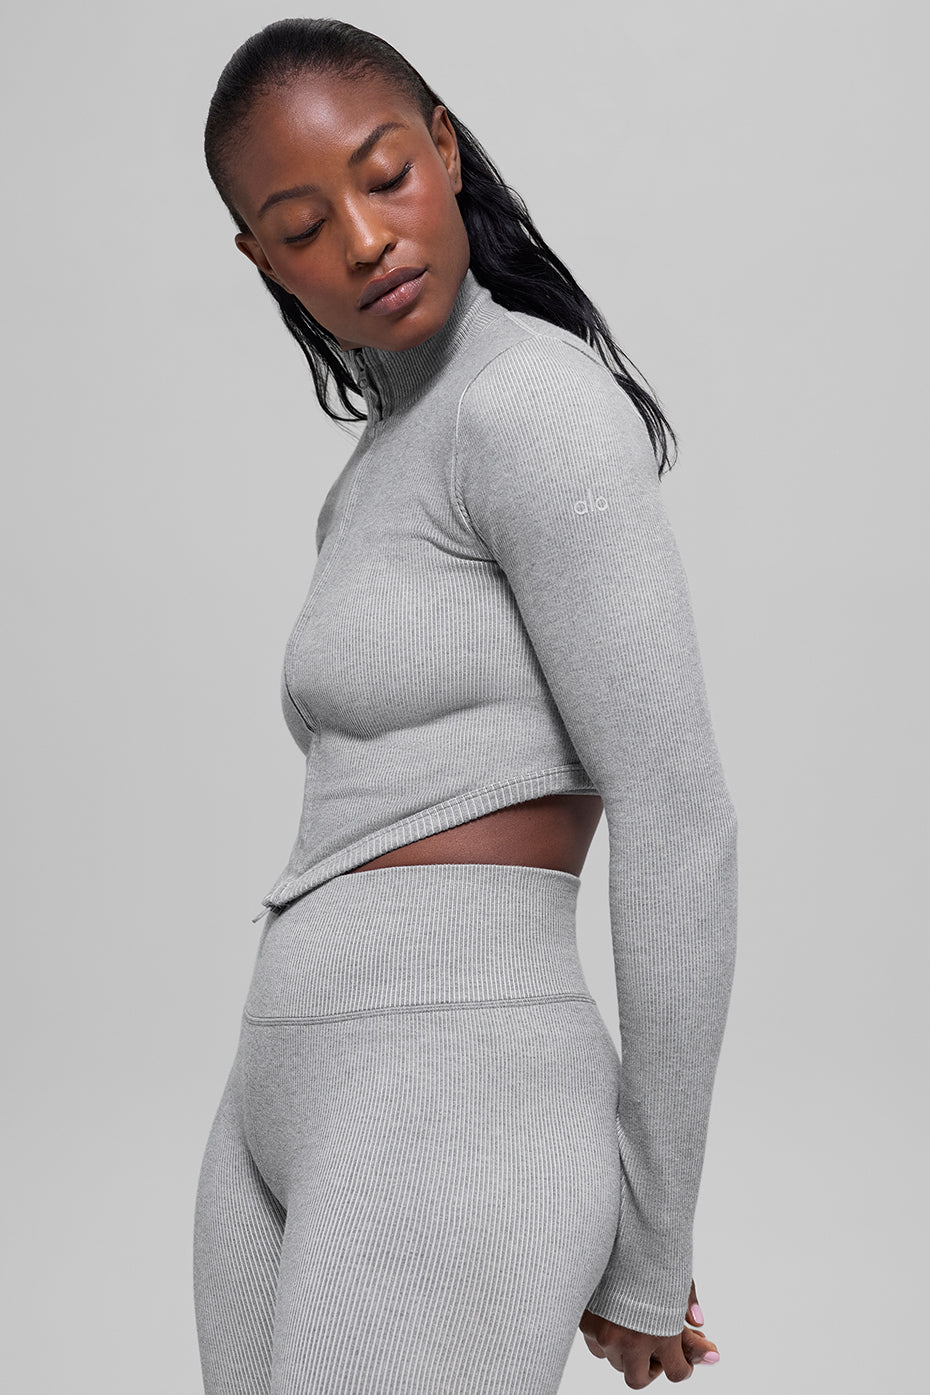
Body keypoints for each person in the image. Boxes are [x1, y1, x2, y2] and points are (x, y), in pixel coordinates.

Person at [192, 16, 738, 1393]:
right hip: (282, 1088)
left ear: (442, 147)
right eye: (302, 225)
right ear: (262, 260)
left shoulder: (531, 405)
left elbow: (679, 822)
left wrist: (652, 1238)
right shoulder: (376, 470)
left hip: (456, 1081)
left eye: (385, 175)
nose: (365, 239)